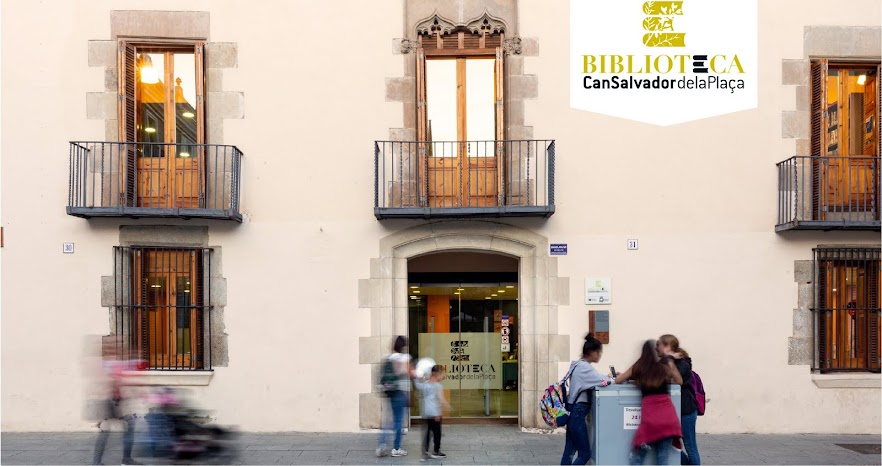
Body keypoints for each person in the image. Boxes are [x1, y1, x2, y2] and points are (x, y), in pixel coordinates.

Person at [615, 340, 683, 465]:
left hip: (651, 422)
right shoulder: (662, 368)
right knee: (663, 460)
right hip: (669, 419)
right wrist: (670, 360)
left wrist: (631, 374)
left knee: (637, 458)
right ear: (655, 353)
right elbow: (679, 381)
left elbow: (618, 380)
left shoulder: (639, 367)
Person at [561, 333, 613, 465]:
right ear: (592, 352)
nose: (600, 355)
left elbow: (596, 378)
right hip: (578, 413)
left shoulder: (577, 365)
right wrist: (613, 378)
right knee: (585, 454)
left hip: (573, 411)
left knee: (569, 451)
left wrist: (607, 377)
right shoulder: (584, 368)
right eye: (599, 352)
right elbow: (604, 381)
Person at [91, 337, 142, 465]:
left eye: (119, 343)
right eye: (116, 343)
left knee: (117, 428)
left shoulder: (112, 361)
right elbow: (111, 381)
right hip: (110, 401)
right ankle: (124, 460)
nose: (119, 345)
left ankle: (100, 462)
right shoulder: (107, 362)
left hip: (114, 401)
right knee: (110, 429)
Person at [658, 334, 701, 465]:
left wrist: (669, 359)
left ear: (668, 347)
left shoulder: (683, 364)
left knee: (690, 446)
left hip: (686, 410)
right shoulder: (664, 361)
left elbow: (675, 381)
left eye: (659, 344)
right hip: (672, 410)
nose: (656, 348)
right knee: (670, 443)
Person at [377, 335, 414, 458]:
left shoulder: (389, 358)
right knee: (398, 421)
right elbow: (412, 373)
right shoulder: (405, 358)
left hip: (390, 391)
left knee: (388, 420)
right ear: (404, 346)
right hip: (401, 392)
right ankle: (396, 448)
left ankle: (382, 445)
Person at [414, 365, 451, 460]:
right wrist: (447, 407)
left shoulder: (425, 384)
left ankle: (425, 451)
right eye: (442, 374)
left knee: (428, 432)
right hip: (435, 413)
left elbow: (417, 385)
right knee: (437, 433)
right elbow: (440, 400)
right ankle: (436, 451)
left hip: (426, 412)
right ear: (437, 374)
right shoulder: (438, 386)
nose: (443, 376)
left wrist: (417, 378)